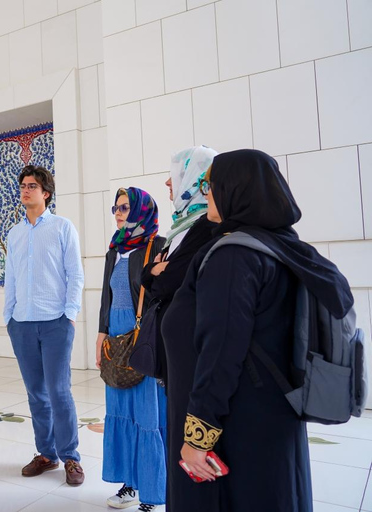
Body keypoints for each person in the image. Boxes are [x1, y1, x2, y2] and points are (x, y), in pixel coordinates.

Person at [162, 149, 350, 511]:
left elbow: (221, 350)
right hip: (271, 415)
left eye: (211, 186)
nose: (207, 194)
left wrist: (199, 435)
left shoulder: (234, 256)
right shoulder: (281, 245)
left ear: (236, 190)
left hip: (235, 425)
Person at [3, 165, 86, 486]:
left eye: (32, 185)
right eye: (22, 185)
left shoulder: (63, 227)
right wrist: (8, 316)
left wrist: (70, 313)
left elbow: (74, 273)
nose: (25, 190)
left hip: (56, 322)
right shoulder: (15, 232)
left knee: (59, 391)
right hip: (21, 323)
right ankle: (47, 454)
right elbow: (11, 276)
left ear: (46, 192)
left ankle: (71, 457)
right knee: (36, 393)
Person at [96, 187, 166, 511]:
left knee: (147, 414)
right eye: (116, 208)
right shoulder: (115, 248)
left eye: (125, 207)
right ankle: (131, 484)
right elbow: (106, 297)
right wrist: (101, 334)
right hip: (116, 338)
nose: (119, 213)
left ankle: (152, 492)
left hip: (145, 337)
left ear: (141, 209)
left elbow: (164, 297)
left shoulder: (158, 245)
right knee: (121, 410)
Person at [141, 146, 219, 383]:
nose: (167, 182)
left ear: (195, 181)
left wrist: (157, 272)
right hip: (176, 344)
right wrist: (153, 270)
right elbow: (148, 278)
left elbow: (168, 284)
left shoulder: (205, 227)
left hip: (191, 345)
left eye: (176, 175)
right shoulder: (180, 226)